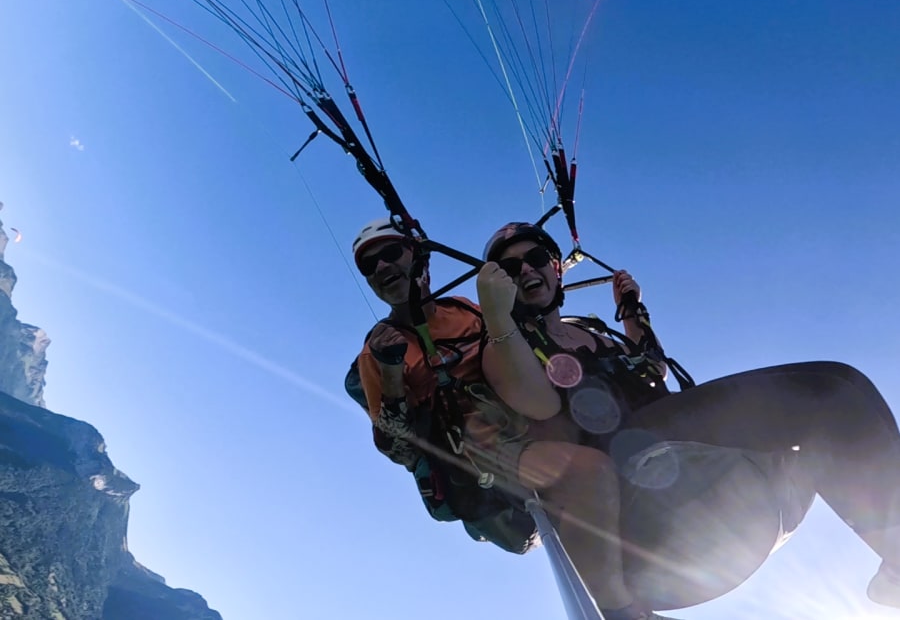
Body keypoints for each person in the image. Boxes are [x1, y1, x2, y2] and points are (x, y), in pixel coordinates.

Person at [475, 221, 900, 618]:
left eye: (535, 259)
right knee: (824, 396)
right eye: (511, 268)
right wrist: (497, 318)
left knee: (842, 389)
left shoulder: (593, 331)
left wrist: (631, 312)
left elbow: (652, 369)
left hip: (670, 443)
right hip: (626, 465)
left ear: (556, 269)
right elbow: (537, 402)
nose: (526, 270)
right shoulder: (506, 345)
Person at [348, 217, 537, 553]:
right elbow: (397, 448)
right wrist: (391, 374)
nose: (381, 266)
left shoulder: (464, 308)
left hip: (529, 429)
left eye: (391, 253)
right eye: (369, 264)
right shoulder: (372, 354)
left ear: (417, 257)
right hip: (479, 472)